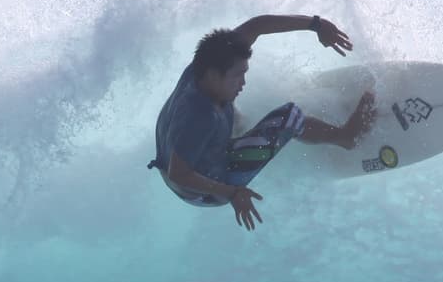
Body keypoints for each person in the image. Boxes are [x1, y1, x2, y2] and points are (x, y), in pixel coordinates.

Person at [148, 14, 376, 231]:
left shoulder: (205, 66)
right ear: (213, 74)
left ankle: (237, 135)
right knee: (288, 117)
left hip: (186, 155)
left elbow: (256, 26)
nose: (243, 82)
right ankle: (346, 137)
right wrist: (232, 193)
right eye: (237, 76)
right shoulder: (199, 116)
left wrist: (316, 24)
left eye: (244, 73)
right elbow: (179, 174)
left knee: (234, 116)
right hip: (203, 189)